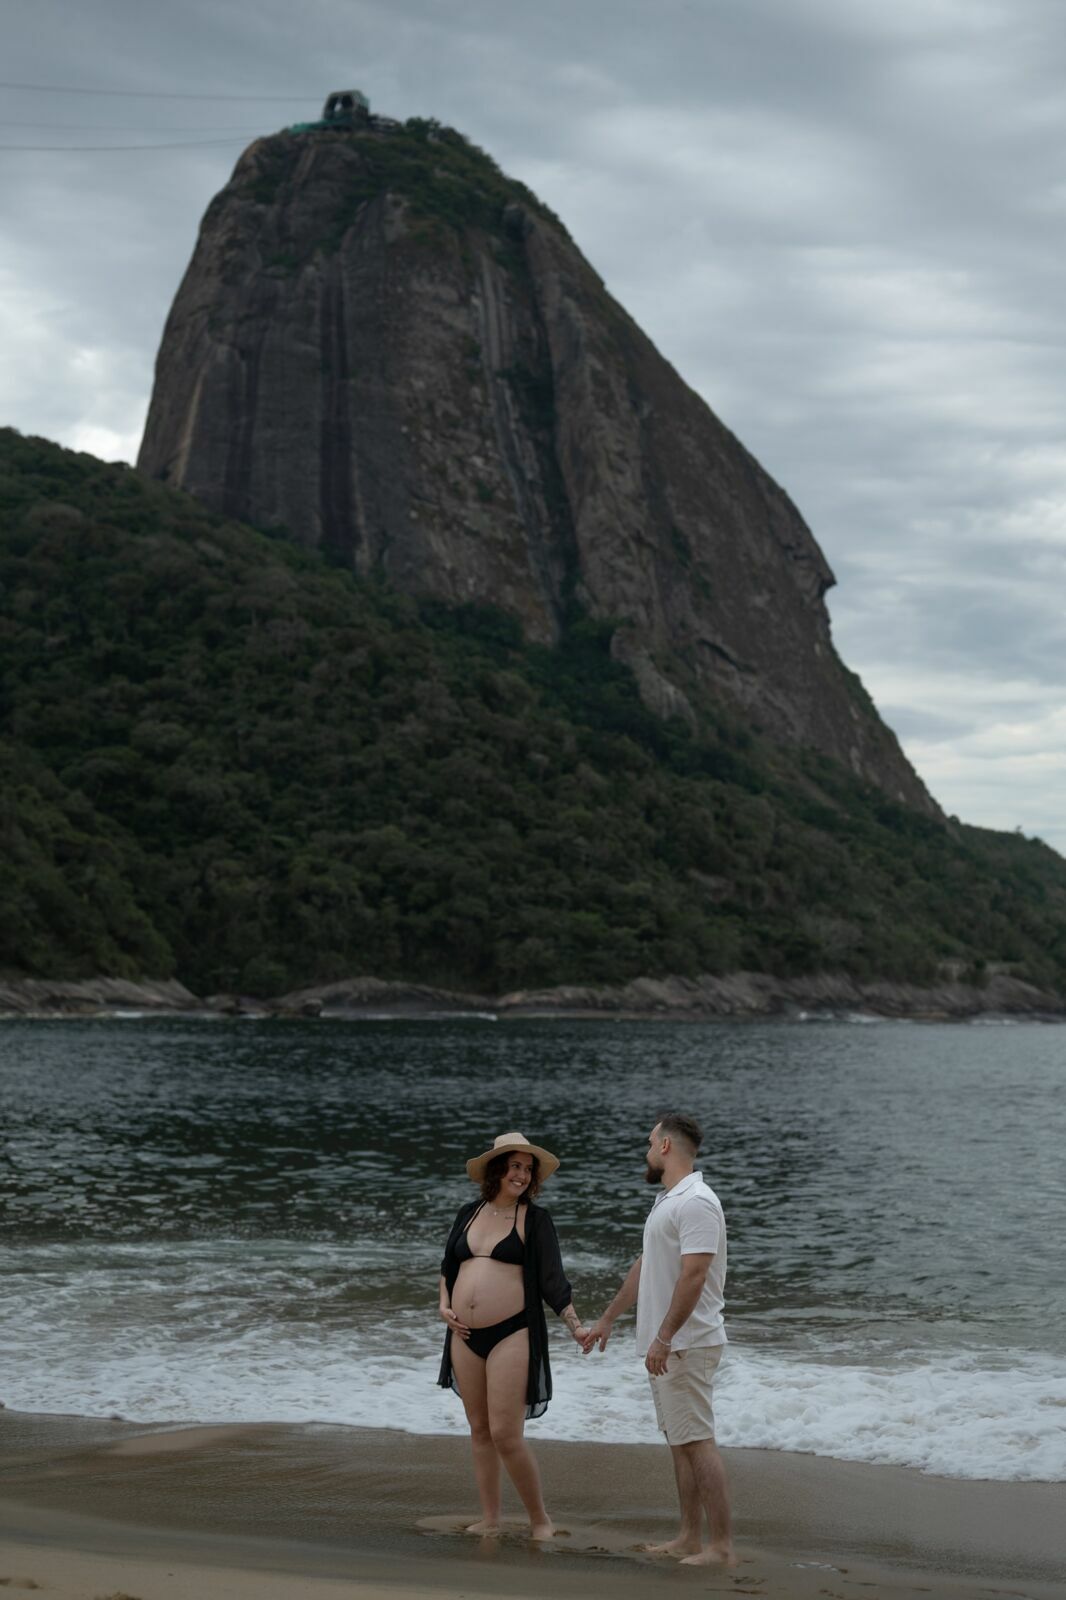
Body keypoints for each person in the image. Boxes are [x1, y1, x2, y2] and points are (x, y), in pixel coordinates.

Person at [581, 1112, 734, 1567]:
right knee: (680, 1441)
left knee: (698, 1440)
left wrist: (665, 1337)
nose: (647, 1151)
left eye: (650, 1143)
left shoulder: (697, 1202)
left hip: (688, 1342)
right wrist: (609, 1318)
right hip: (668, 1343)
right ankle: (689, 1537)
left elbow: (695, 1275)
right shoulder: (670, 1200)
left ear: (666, 1146)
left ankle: (721, 1547)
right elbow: (646, 1265)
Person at [438, 1131, 588, 1539]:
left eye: (527, 1168)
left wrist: (576, 1326)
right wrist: (443, 1305)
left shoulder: (535, 1220)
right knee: (480, 1429)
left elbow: (553, 1282)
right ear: (496, 1169)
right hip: (463, 1334)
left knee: (506, 1433)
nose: (521, 1175)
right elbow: (447, 1268)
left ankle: (541, 1520)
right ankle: (490, 1518)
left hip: (512, 1332)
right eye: (514, 1166)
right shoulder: (468, 1212)